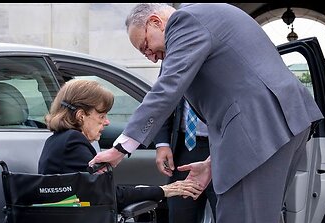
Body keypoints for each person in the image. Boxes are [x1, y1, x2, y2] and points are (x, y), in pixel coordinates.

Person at [89, 3, 324, 223]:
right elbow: (241, 89)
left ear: (156, 22)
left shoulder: (185, 21)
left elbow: (167, 89)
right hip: (278, 124)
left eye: (145, 46)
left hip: (260, 129)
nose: (152, 57)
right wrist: (212, 163)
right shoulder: (208, 19)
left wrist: (120, 149)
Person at [38, 79, 204, 211]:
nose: (107, 122)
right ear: (81, 115)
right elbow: (107, 195)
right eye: (102, 116)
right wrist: (163, 190)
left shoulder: (56, 141)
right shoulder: (73, 142)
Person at [154, 98, 217, 223]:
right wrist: (162, 144)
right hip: (184, 148)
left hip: (221, 146)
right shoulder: (176, 69)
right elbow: (162, 99)